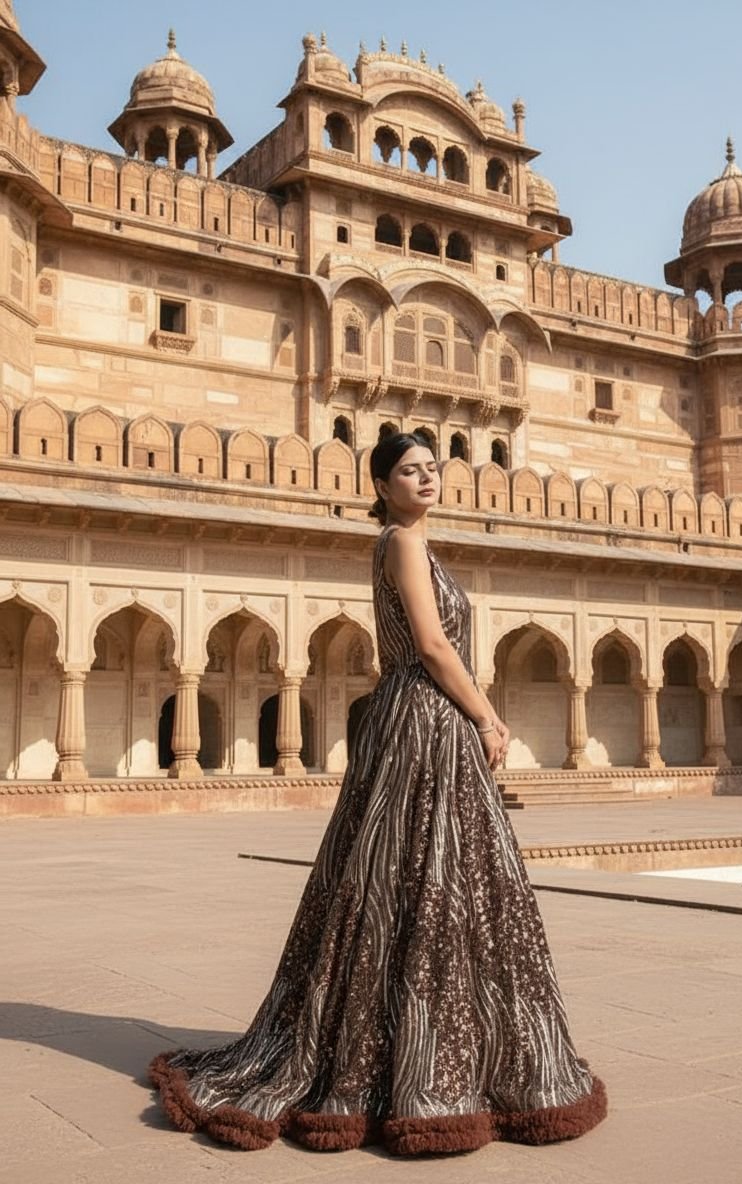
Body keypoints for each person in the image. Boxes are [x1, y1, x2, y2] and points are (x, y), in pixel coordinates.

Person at [148, 431, 608, 1155]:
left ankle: (419, 1055)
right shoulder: (400, 542)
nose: (426, 478)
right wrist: (486, 713)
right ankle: (418, 1065)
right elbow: (429, 645)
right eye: (409, 470)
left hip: (422, 724)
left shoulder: (415, 544)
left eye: (432, 468)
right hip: (425, 719)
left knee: (413, 882)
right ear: (383, 485)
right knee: (428, 882)